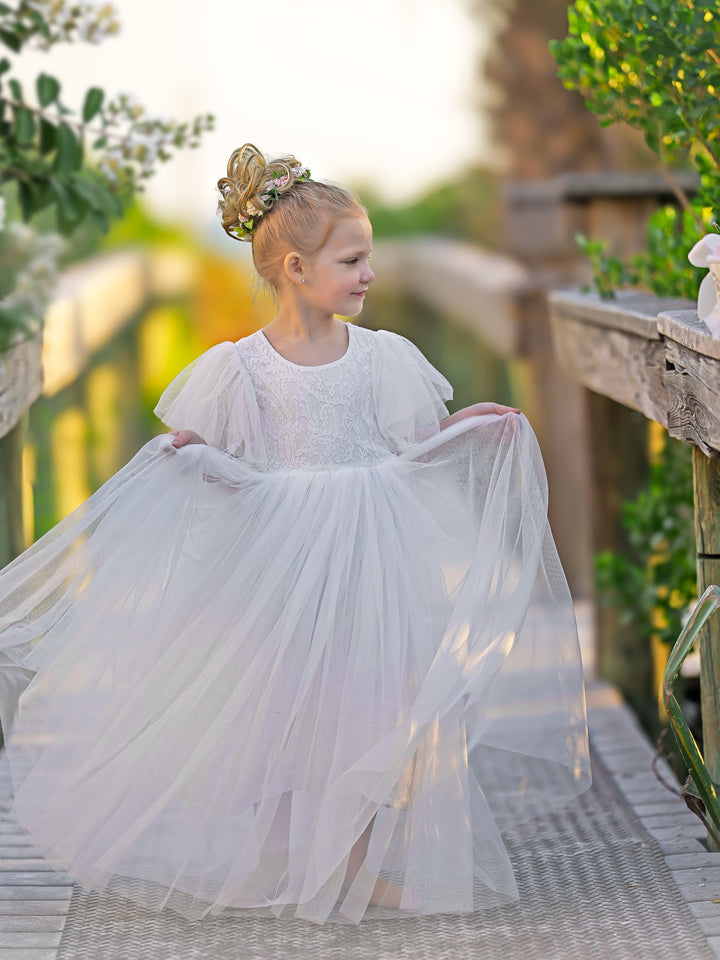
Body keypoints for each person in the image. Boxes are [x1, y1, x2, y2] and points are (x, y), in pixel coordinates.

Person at [0, 143, 591, 926]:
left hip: (368, 560)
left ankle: (356, 864)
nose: (368, 274)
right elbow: (230, 459)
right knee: (282, 709)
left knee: (376, 703)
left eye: (370, 257)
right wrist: (196, 456)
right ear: (292, 268)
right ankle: (286, 859)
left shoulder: (382, 357)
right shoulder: (241, 367)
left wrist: (465, 427)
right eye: (350, 260)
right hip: (281, 560)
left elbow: (409, 448)